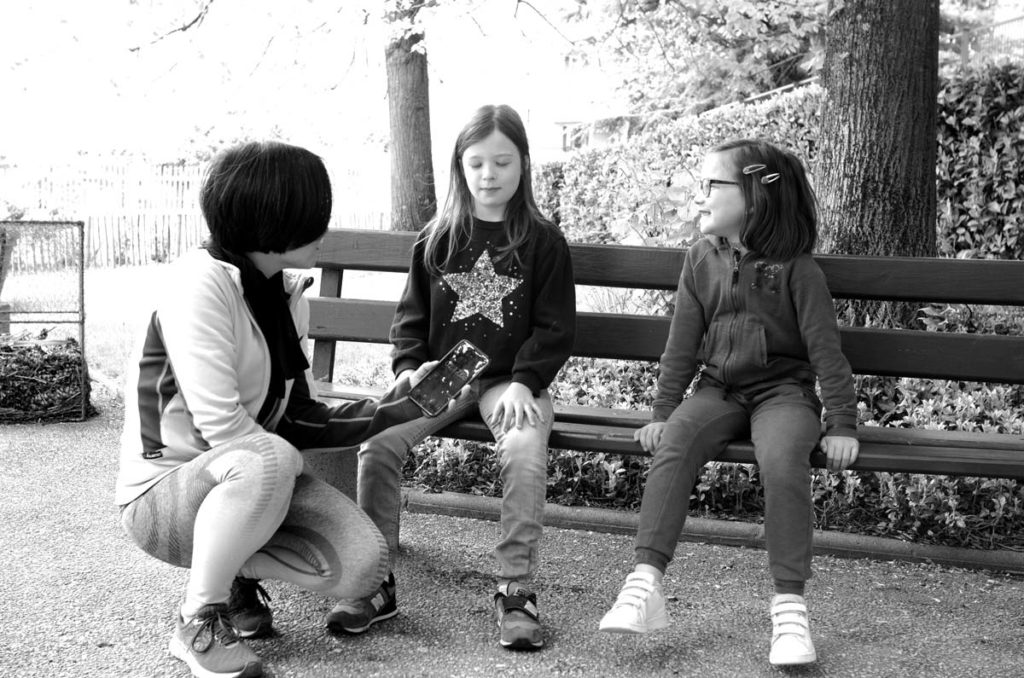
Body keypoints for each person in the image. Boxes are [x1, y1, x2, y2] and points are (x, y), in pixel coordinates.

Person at [115, 140, 444, 678]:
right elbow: (227, 430)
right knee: (271, 457)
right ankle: (198, 618)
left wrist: (396, 407)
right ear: (274, 220)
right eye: (315, 215)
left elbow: (298, 415)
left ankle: (231, 568)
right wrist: (288, 475)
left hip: (247, 478)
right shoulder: (197, 286)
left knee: (365, 565)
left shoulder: (286, 291)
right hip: (165, 497)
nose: (324, 227)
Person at [597, 139, 859, 667]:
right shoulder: (700, 260)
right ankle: (645, 583)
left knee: (783, 459)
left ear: (756, 196)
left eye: (712, 185)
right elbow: (681, 345)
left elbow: (825, 351)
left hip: (783, 394)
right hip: (718, 391)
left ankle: (790, 608)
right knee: (676, 443)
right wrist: (664, 413)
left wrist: (842, 424)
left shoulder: (795, 269)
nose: (699, 196)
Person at [327, 104, 576, 651]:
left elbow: (556, 328)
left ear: (524, 165)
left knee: (526, 448)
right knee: (378, 443)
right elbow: (410, 319)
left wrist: (526, 381)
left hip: (510, 382)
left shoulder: (542, 242)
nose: (489, 175)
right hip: (444, 376)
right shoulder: (437, 238)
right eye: (477, 164)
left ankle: (516, 589)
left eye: (502, 163)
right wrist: (410, 366)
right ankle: (373, 581)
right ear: (459, 168)